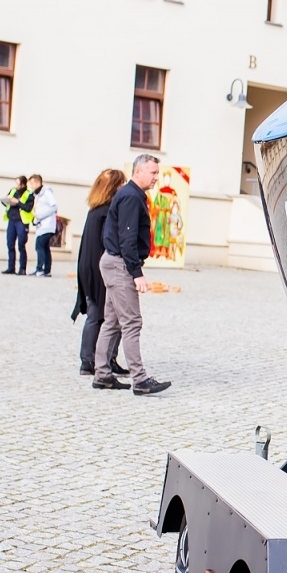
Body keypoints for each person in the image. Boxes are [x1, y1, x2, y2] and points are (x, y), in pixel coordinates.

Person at [93, 154, 171, 395]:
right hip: (120, 265)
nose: (157, 177)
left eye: (158, 173)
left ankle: (103, 374)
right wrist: (136, 273)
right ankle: (140, 380)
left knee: (113, 322)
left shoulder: (132, 195)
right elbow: (127, 239)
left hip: (114, 262)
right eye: (153, 172)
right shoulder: (130, 197)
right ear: (138, 172)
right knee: (131, 322)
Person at [72, 168, 128, 377]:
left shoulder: (95, 210)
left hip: (89, 265)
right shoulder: (107, 211)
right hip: (101, 266)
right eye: (121, 183)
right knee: (108, 315)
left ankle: (89, 360)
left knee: (98, 314)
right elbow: (110, 242)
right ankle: (99, 359)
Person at [0, 176, 34, 275]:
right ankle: (11, 267)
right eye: (16, 183)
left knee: (21, 245)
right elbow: (6, 202)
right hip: (11, 220)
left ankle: (22, 269)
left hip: (21, 222)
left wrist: (17, 202)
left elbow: (28, 208)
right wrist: (6, 201)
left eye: (18, 184)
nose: (17, 186)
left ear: (23, 184)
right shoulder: (13, 191)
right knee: (10, 244)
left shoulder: (29, 194)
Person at [29, 173, 59, 277]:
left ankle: (40, 269)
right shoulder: (37, 195)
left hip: (47, 225)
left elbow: (54, 207)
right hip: (41, 225)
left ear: (38, 182)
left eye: (32, 183)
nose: (31, 186)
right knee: (45, 248)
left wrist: (40, 216)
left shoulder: (46, 193)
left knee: (39, 246)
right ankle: (47, 270)